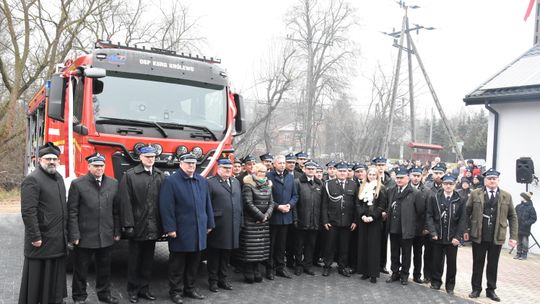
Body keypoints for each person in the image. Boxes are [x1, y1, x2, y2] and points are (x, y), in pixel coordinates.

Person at [159, 153, 215, 304]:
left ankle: (190, 289)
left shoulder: (201, 181)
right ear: (181, 163)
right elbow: (166, 207)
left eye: (194, 163)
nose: (191, 165)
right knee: (177, 264)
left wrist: (210, 223)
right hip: (181, 230)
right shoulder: (171, 181)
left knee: (194, 263)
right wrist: (170, 228)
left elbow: (207, 204)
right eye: (188, 163)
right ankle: (175, 292)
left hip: (199, 229)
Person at [68, 153, 120, 304]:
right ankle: (79, 297)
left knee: (104, 269)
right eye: (96, 166)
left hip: (106, 235)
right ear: (89, 166)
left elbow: (116, 210)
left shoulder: (113, 183)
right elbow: (72, 211)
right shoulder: (78, 184)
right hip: (84, 236)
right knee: (81, 270)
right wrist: (74, 234)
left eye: (101, 166)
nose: (99, 168)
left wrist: (117, 231)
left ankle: (104, 295)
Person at [19, 142, 68, 304]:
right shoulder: (32, 180)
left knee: (54, 277)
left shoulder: (59, 178)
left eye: (55, 158)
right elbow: (28, 211)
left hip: (57, 240)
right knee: (38, 280)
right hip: (41, 240)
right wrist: (35, 236)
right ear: (39, 160)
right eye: (48, 159)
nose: (52, 161)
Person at [118, 145, 165, 303]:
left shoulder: (160, 175)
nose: (151, 159)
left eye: (153, 157)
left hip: (153, 226)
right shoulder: (130, 176)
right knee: (134, 261)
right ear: (140, 158)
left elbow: (163, 203)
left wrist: (163, 225)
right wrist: (128, 225)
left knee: (148, 260)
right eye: (147, 157)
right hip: (137, 226)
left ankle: (145, 289)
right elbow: (126, 203)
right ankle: (132, 290)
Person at [465, 168, 518, 302]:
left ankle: (491, 290)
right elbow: (466, 212)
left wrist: (513, 236)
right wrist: (466, 231)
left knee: (493, 265)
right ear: (485, 180)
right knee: (478, 264)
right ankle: (476, 289)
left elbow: (512, 216)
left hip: (496, 236)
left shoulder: (506, 195)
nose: (492, 180)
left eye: (494, 178)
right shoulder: (475, 194)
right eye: (489, 178)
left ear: (498, 180)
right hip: (479, 235)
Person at [426, 174, 466, 295]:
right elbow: (429, 215)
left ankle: (450, 285)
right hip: (438, 235)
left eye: (451, 184)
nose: (448, 186)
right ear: (442, 184)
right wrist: (433, 232)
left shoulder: (460, 199)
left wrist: (457, 237)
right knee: (436, 261)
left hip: (452, 237)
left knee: (452, 264)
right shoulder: (435, 197)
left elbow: (463, 219)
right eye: (446, 184)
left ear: (455, 185)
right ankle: (436, 282)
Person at [206, 159, 243, 292]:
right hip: (218, 224)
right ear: (218, 168)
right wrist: (209, 223)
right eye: (225, 168)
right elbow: (207, 205)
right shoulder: (210, 182)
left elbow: (240, 204)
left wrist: (241, 222)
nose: (228, 170)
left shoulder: (235, 182)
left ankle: (223, 279)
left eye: (229, 168)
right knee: (214, 255)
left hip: (233, 224)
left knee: (227, 254)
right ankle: (213, 281)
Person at [236, 163, 274, 283]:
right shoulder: (248, 185)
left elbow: (272, 202)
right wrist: (260, 216)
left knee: (260, 248)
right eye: (260, 172)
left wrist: (266, 216)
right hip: (251, 221)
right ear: (255, 172)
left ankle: (257, 269)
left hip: (263, 222)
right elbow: (248, 203)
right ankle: (248, 270)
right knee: (250, 248)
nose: (262, 174)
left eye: (264, 172)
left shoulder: (268, 185)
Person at [385, 167, 424, 286]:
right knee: (394, 252)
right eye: (397, 178)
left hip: (407, 228)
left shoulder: (415, 193)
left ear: (408, 178)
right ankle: (395, 272)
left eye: (401, 178)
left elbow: (420, 212)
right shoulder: (391, 190)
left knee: (406, 253)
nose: (399, 180)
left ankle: (405, 275)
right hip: (394, 227)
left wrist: (415, 228)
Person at [321, 161, 357, 277]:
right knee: (329, 246)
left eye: (344, 171)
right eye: (340, 171)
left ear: (348, 172)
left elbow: (356, 205)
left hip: (347, 222)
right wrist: (325, 220)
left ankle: (342, 267)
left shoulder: (353, 185)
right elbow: (324, 204)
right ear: (336, 172)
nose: (342, 173)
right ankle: (327, 266)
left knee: (344, 247)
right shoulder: (328, 184)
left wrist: (355, 221)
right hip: (332, 221)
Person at [266, 155, 298, 279]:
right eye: (280, 163)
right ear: (274, 164)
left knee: (282, 245)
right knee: (271, 245)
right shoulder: (269, 177)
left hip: (286, 216)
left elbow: (295, 195)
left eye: (284, 163)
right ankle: (270, 268)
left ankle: (281, 267)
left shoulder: (290, 177)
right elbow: (267, 196)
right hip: (274, 216)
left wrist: (289, 205)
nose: (283, 165)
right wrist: (278, 206)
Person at [356, 166, 387, 283]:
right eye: (370, 174)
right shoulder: (362, 187)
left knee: (373, 248)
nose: (372, 176)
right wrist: (362, 215)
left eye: (374, 175)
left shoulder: (381, 189)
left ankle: (373, 274)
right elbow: (358, 204)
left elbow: (381, 205)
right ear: (367, 175)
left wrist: (372, 217)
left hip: (375, 221)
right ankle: (365, 272)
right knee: (363, 245)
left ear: (377, 176)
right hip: (363, 220)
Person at [293, 161, 322, 276]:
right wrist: (295, 218)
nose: (311, 171)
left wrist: (320, 220)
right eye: (308, 168)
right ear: (304, 169)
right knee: (299, 244)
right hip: (302, 219)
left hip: (315, 220)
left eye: (313, 169)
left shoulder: (320, 184)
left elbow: (322, 204)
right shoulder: (297, 182)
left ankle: (307, 265)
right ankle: (298, 265)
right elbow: (294, 202)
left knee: (311, 244)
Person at [408, 165, 431, 284]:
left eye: (418, 176)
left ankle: (417, 275)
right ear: (410, 176)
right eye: (414, 175)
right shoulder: (405, 188)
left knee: (418, 253)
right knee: (405, 252)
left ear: (421, 177)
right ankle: (403, 272)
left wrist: (426, 227)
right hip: (407, 226)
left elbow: (428, 211)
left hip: (420, 228)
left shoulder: (426, 191)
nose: (416, 178)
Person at [372, 156, 395, 275]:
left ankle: (382, 265)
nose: (380, 167)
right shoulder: (372, 179)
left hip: (386, 216)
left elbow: (392, 198)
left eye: (382, 165)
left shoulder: (390, 181)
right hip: (375, 215)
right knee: (374, 240)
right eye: (378, 165)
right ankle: (373, 263)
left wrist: (386, 211)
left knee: (384, 241)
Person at [514, 192, 537, 260]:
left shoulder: (531, 208)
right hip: (518, 227)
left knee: (524, 242)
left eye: (522, 196)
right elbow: (514, 215)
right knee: (518, 242)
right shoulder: (518, 206)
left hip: (525, 229)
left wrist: (526, 223)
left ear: (525, 198)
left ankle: (524, 255)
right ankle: (518, 253)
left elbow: (533, 218)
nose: (520, 198)